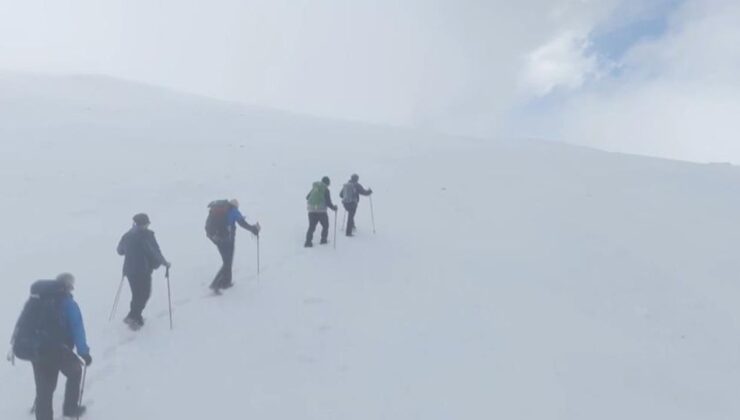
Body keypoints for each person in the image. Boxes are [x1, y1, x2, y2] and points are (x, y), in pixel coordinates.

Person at [11, 273, 92, 420]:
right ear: (68, 287)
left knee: (44, 390)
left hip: (35, 349)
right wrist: (84, 353)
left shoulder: (36, 300)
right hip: (57, 350)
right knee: (75, 371)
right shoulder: (68, 303)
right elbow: (77, 328)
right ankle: (70, 408)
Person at [117, 213, 170, 329]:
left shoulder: (127, 235)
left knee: (137, 294)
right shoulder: (146, 236)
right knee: (144, 294)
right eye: (146, 223)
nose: (148, 225)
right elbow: (154, 252)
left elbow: (120, 251)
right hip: (142, 271)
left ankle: (133, 316)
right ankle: (134, 317)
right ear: (142, 224)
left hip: (129, 270)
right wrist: (164, 262)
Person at [206, 199, 260, 292]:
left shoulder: (221, 211)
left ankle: (226, 282)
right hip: (226, 240)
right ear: (235, 206)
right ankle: (215, 284)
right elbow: (242, 223)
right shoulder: (233, 211)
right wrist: (253, 229)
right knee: (227, 262)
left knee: (228, 261)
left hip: (217, 238)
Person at [305, 176, 338, 247]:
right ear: (327, 183)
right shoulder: (326, 190)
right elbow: (328, 202)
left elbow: (307, 197)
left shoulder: (315, 187)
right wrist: (334, 208)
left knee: (311, 226)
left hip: (311, 210)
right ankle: (323, 240)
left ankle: (308, 242)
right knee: (325, 225)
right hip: (321, 211)